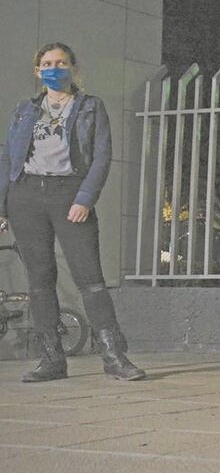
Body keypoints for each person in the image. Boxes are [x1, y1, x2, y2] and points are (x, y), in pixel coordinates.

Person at [0, 43, 145, 382]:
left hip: (69, 193)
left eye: (61, 62)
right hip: (26, 195)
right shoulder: (25, 109)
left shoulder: (91, 107)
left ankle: (113, 355)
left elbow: (101, 156)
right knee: (40, 280)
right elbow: (6, 158)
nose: (54, 68)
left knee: (89, 278)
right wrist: (3, 206)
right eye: (47, 63)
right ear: (38, 71)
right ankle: (52, 359)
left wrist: (85, 198)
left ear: (73, 68)